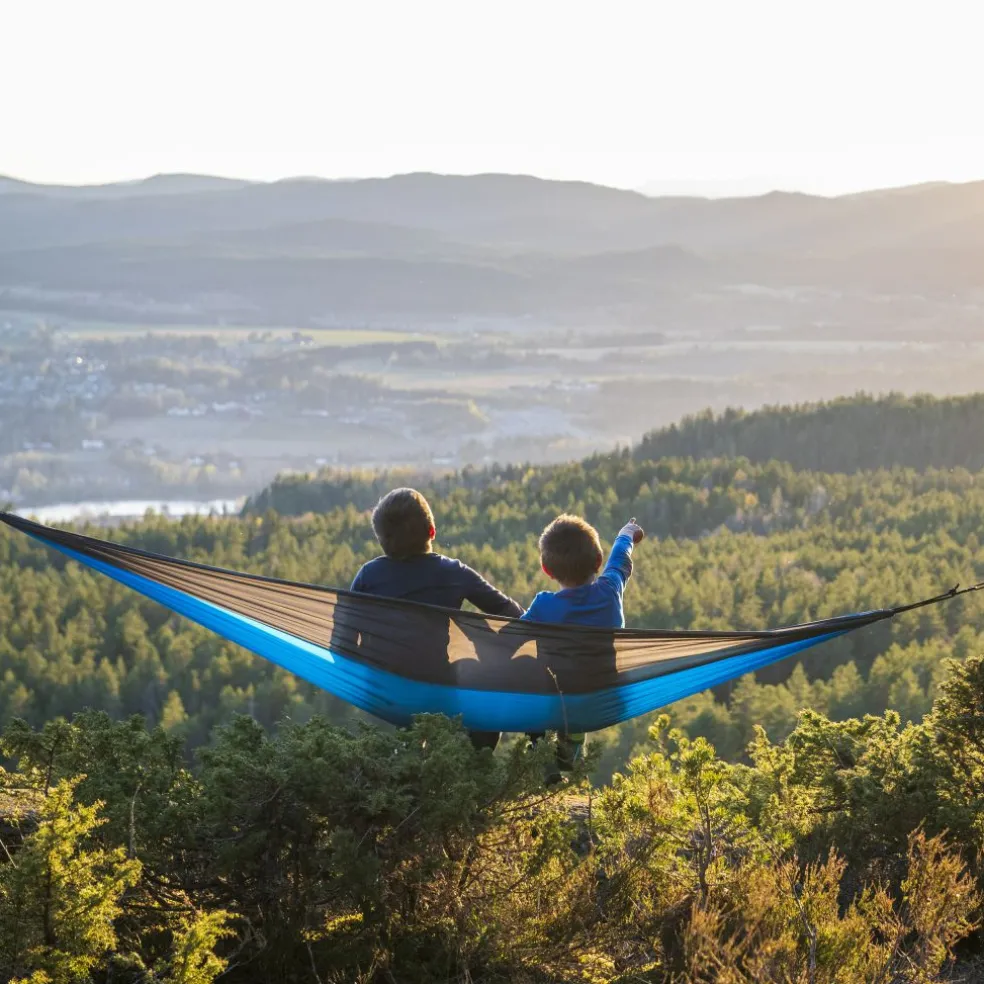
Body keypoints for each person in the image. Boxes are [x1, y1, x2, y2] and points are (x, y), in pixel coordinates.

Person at [349, 487, 524, 751]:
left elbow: (344, 633)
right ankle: (477, 766)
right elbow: (511, 614)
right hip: (439, 684)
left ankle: (412, 762)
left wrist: (368, 667)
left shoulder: (369, 575)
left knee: (411, 717)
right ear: (432, 531)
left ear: (382, 541)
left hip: (387, 687)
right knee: (482, 700)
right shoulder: (453, 573)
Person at [521, 514, 645, 781]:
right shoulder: (610, 591)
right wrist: (626, 534)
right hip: (603, 693)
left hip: (555, 696)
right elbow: (620, 560)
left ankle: (541, 757)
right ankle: (570, 746)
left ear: (547, 570)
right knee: (576, 695)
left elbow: (512, 636)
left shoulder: (543, 605)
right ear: (597, 562)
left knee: (533, 678)